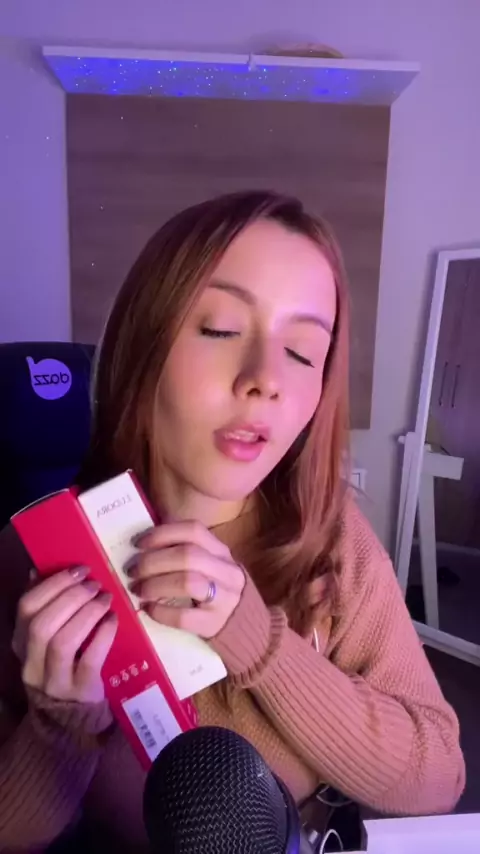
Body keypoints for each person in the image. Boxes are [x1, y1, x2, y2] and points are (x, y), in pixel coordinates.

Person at [0, 191, 464, 852]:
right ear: (144, 343)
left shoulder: (333, 540)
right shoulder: (32, 561)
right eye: (219, 328)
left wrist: (254, 638)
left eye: (302, 352)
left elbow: (437, 777)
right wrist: (59, 726)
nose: (265, 379)